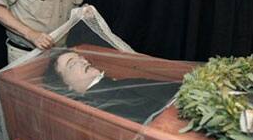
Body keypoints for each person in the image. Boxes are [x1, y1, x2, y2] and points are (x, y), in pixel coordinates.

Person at [45, 51, 181, 124]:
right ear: (67, 86)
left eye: (81, 58)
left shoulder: (113, 86)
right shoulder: (100, 104)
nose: (83, 61)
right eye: (72, 64)